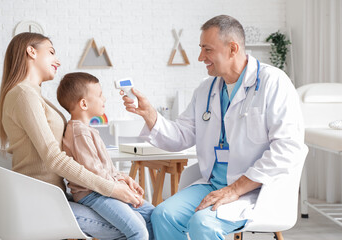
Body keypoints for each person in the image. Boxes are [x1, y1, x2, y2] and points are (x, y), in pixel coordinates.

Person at [121, 15, 308, 239]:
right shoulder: (206, 89)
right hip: (213, 185)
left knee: (204, 223)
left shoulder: (274, 82)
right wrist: (149, 114)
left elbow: (288, 148)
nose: (201, 57)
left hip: (256, 189)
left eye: (207, 50)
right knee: (162, 215)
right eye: (201, 49)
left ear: (232, 48)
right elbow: (180, 136)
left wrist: (235, 189)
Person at [0, 32, 142, 239]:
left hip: (52, 197)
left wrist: (118, 178)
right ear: (31, 51)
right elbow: (54, 158)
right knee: (134, 226)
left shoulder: (32, 95)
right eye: (51, 52)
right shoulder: (23, 94)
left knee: (136, 217)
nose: (57, 60)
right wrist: (112, 188)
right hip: (40, 203)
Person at [56, 72, 154, 240]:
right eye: (100, 95)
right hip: (94, 195)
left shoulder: (87, 130)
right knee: (138, 231)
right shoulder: (79, 132)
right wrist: (119, 188)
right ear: (84, 104)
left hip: (103, 191)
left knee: (152, 215)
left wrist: (123, 178)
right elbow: (94, 174)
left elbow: (104, 167)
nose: (104, 99)